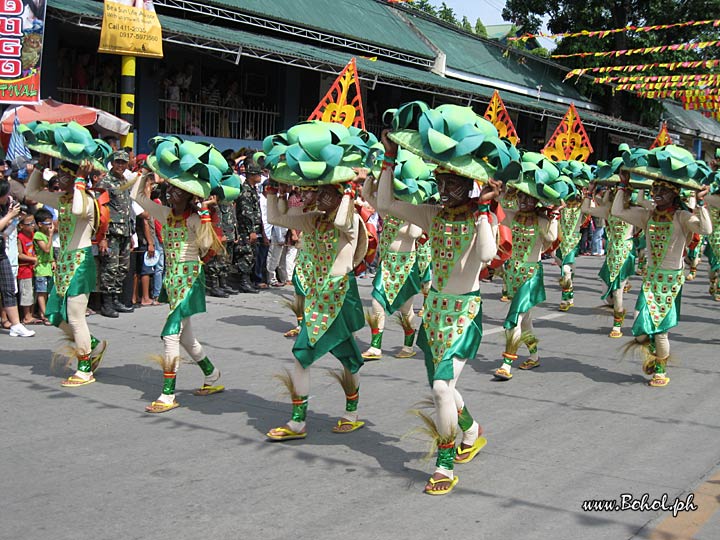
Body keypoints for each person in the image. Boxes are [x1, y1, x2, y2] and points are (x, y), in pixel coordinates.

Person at [379, 101, 520, 495]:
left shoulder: (482, 217)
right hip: (435, 313)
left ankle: (444, 464)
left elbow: (489, 256)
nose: (443, 190)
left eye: (453, 183)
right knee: (448, 388)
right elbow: (385, 204)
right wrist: (390, 159)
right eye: (440, 182)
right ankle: (473, 430)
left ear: (470, 184)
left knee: (441, 389)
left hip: (463, 314)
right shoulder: (432, 215)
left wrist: (485, 209)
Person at [263, 120, 376, 442]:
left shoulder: (350, 218)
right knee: (349, 357)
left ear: (339, 194)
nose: (317, 197)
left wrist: (348, 190)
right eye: (316, 191)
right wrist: (275, 191)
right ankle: (351, 413)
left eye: (325, 192)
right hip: (320, 297)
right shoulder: (313, 221)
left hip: (338, 294)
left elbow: (343, 218)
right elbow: (276, 217)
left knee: (302, 353)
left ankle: (298, 422)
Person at [132, 136, 229, 412]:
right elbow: (137, 198)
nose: (171, 193)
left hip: (189, 278)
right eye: (171, 189)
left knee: (171, 334)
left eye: (178, 191)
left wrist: (207, 215)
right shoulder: (165, 214)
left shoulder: (196, 219)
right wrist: (145, 175)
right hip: (173, 279)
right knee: (186, 338)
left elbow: (207, 247)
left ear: (189, 196)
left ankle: (167, 394)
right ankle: (211, 375)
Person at [22, 121, 114, 384]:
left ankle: (85, 368)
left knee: (75, 317)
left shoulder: (86, 200)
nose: (59, 179)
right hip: (63, 263)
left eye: (64, 175)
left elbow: (76, 210)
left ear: (76, 177)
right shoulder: (63, 198)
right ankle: (93, 346)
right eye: (58, 174)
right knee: (54, 315)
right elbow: (31, 192)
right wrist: (41, 163)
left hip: (81, 262)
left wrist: (81, 180)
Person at [614, 146, 712, 386]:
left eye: (662, 190)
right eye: (654, 188)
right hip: (650, 279)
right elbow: (617, 211)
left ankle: (660, 370)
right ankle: (651, 355)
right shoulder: (647, 216)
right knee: (639, 328)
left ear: (674, 193)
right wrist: (622, 185)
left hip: (670, 282)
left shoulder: (681, 216)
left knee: (661, 330)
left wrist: (702, 203)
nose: (655, 193)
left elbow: (706, 230)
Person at [493, 152, 571, 381]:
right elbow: (498, 207)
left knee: (514, 319)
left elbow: (551, 238)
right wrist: (502, 189)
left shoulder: (543, 221)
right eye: (521, 197)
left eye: (529, 198)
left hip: (530, 274)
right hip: (513, 274)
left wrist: (555, 213)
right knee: (525, 319)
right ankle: (534, 355)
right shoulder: (513, 215)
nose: (524, 201)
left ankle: (507, 362)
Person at [361, 149, 435, 360]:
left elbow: (415, 234)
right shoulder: (386, 211)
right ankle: (375, 347)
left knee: (406, 311)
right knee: (376, 302)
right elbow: (367, 195)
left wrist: (413, 206)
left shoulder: (414, 212)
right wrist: (374, 176)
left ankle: (409, 344)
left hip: (406, 267)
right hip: (387, 265)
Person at [95, 150, 136, 317]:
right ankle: (107, 304)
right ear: (112, 163)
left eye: (123, 163)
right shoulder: (105, 182)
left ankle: (116, 298)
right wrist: (102, 237)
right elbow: (100, 210)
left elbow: (128, 208)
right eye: (117, 162)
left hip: (125, 231)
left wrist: (131, 234)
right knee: (110, 268)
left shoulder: (125, 181)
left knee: (122, 268)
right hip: (111, 232)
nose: (120, 165)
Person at [554, 161, 592, 311]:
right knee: (565, 267)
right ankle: (570, 295)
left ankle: (565, 297)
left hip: (572, 240)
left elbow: (589, 213)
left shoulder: (583, 204)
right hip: (560, 239)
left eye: (578, 188)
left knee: (565, 270)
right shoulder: (561, 200)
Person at [0, 181, 35, 337]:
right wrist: (10, 215)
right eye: (6, 194)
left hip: (1, 252)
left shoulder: (5, 208)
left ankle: (16, 324)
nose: (9, 197)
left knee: (8, 288)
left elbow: (5, 232)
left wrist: (15, 219)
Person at [235, 158, 263, 293]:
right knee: (246, 254)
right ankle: (244, 282)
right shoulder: (245, 191)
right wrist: (251, 231)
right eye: (258, 174)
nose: (260, 177)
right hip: (246, 230)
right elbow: (246, 214)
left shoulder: (252, 189)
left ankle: (248, 281)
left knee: (251, 254)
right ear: (252, 175)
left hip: (253, 228)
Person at [33, 207, 55, 324]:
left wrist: (52, 261)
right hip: (41, 268)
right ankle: (45, 314)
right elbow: (46, 249)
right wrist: (51, 235)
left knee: (47, 291)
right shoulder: (38, 235)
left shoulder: (46, 235)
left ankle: (43, 312)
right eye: (48, 223)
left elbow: (50, 252)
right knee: (41, 292)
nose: (50, 226)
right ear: (40, 224)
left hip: (48, 267)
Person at [16, 212, 37, 324]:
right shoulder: (20, 237)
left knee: (32, 292)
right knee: (26, 293)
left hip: (32, 268)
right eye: (30, 223)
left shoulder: (33, 235)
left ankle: (31, 314)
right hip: (24, 270)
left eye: (33, 223)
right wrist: (34, 259)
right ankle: (26, 316)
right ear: (21, 226)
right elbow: (20, 254)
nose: (33, 225)